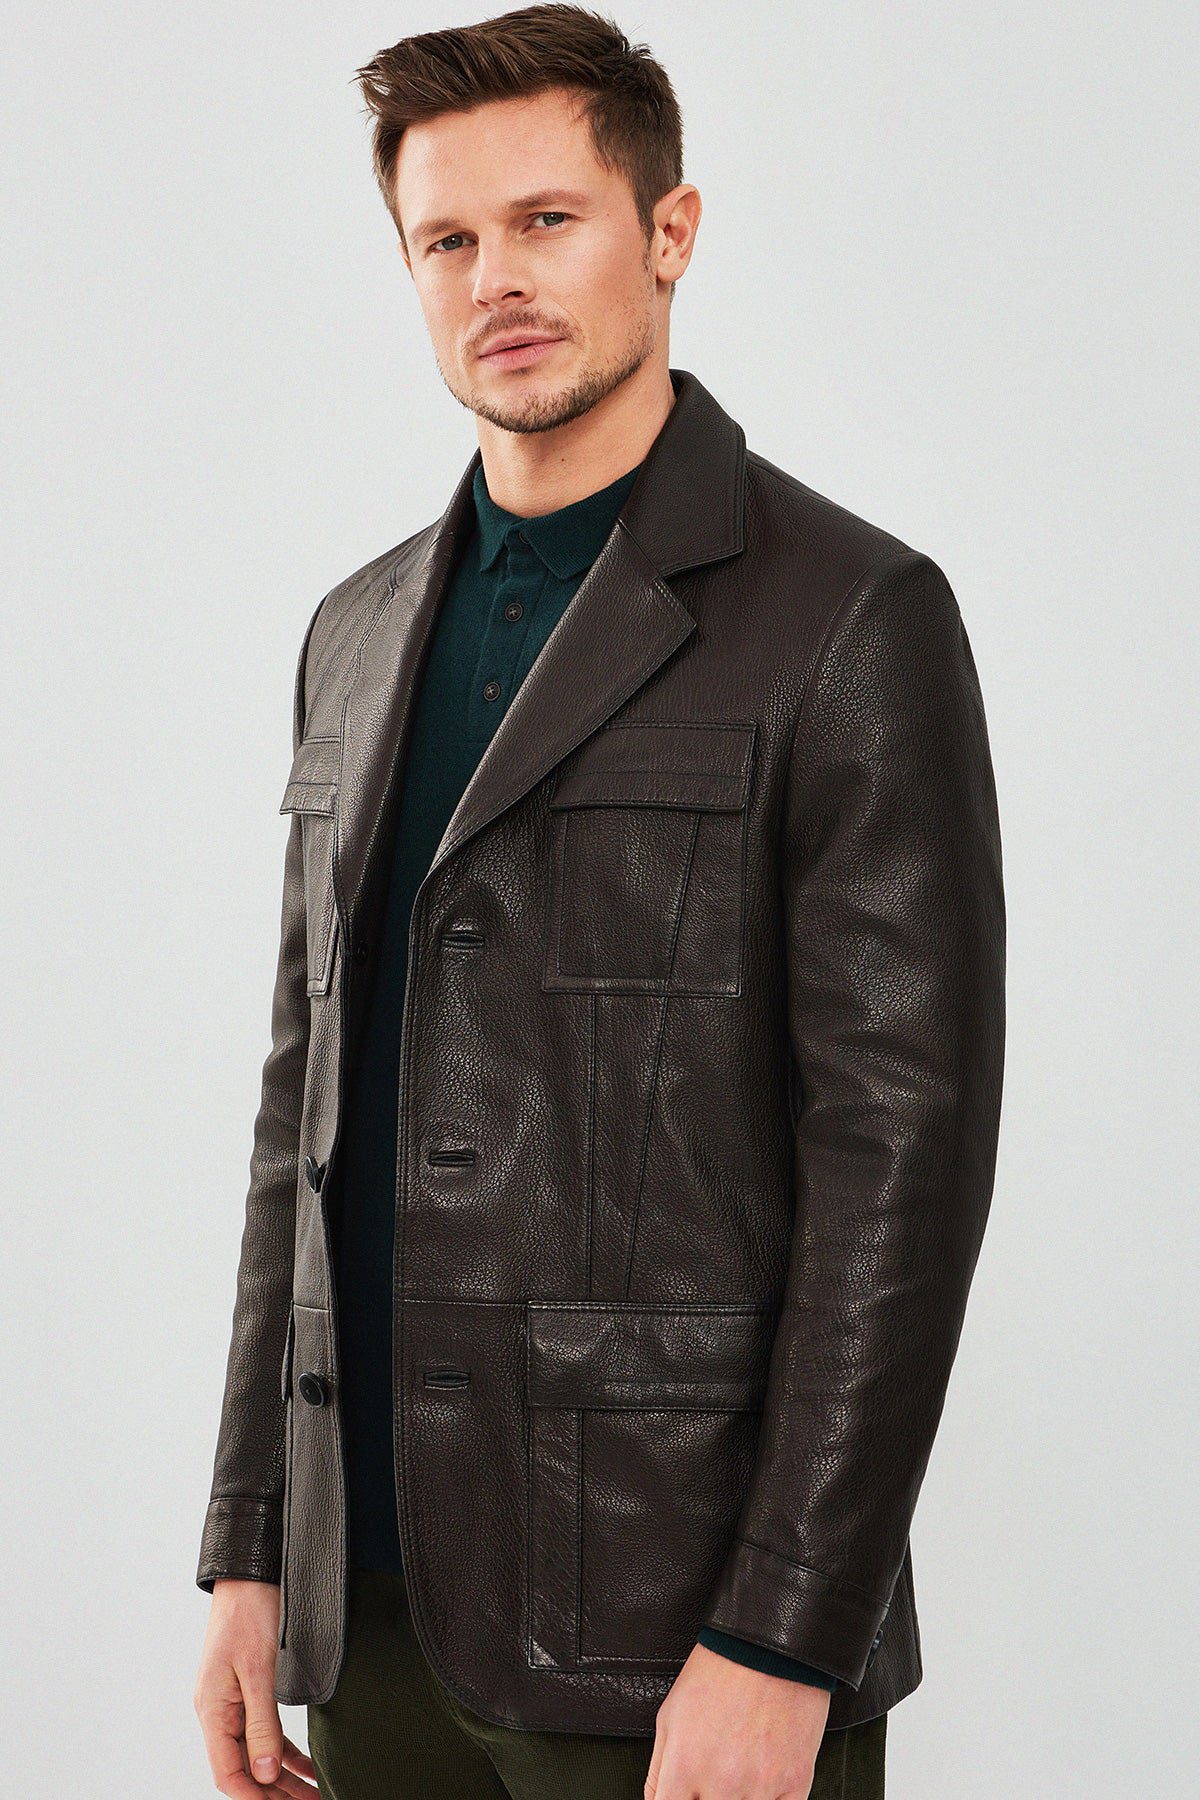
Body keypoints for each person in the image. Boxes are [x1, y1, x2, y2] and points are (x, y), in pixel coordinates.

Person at [192, 7, 1006, 1798]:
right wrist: (254, 1546)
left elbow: (904, 1164)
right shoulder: (355, 633)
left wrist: (787, 1633)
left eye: (547, 220)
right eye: (447, 239)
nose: (496, 277)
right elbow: (297, 1115)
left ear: (670, 231)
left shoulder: (850, 619)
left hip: (670, 1612)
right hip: (370, 1607)